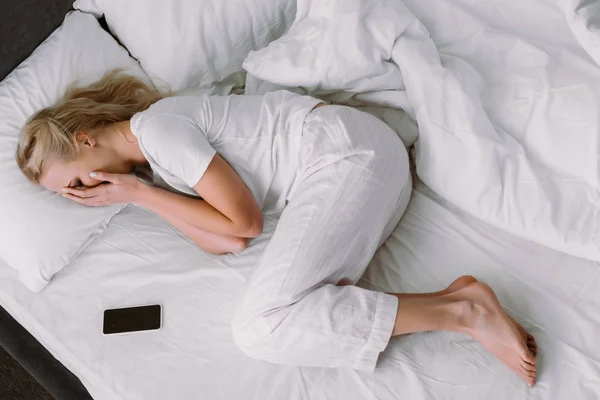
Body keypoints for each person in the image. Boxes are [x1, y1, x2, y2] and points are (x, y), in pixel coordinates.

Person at [16, 70, 537, 386]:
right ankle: (459, 301)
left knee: (259, 326)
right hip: (360, 172)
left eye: (72, 183)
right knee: (282, 319)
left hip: (347, 156)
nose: (80, 194)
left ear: (84, 140)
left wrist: (136, 192)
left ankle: (465, 312)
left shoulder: (157, 128)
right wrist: (141, 194)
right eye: (69, 195)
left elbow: (245, 220)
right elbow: (227, 242)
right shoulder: (156, 163)